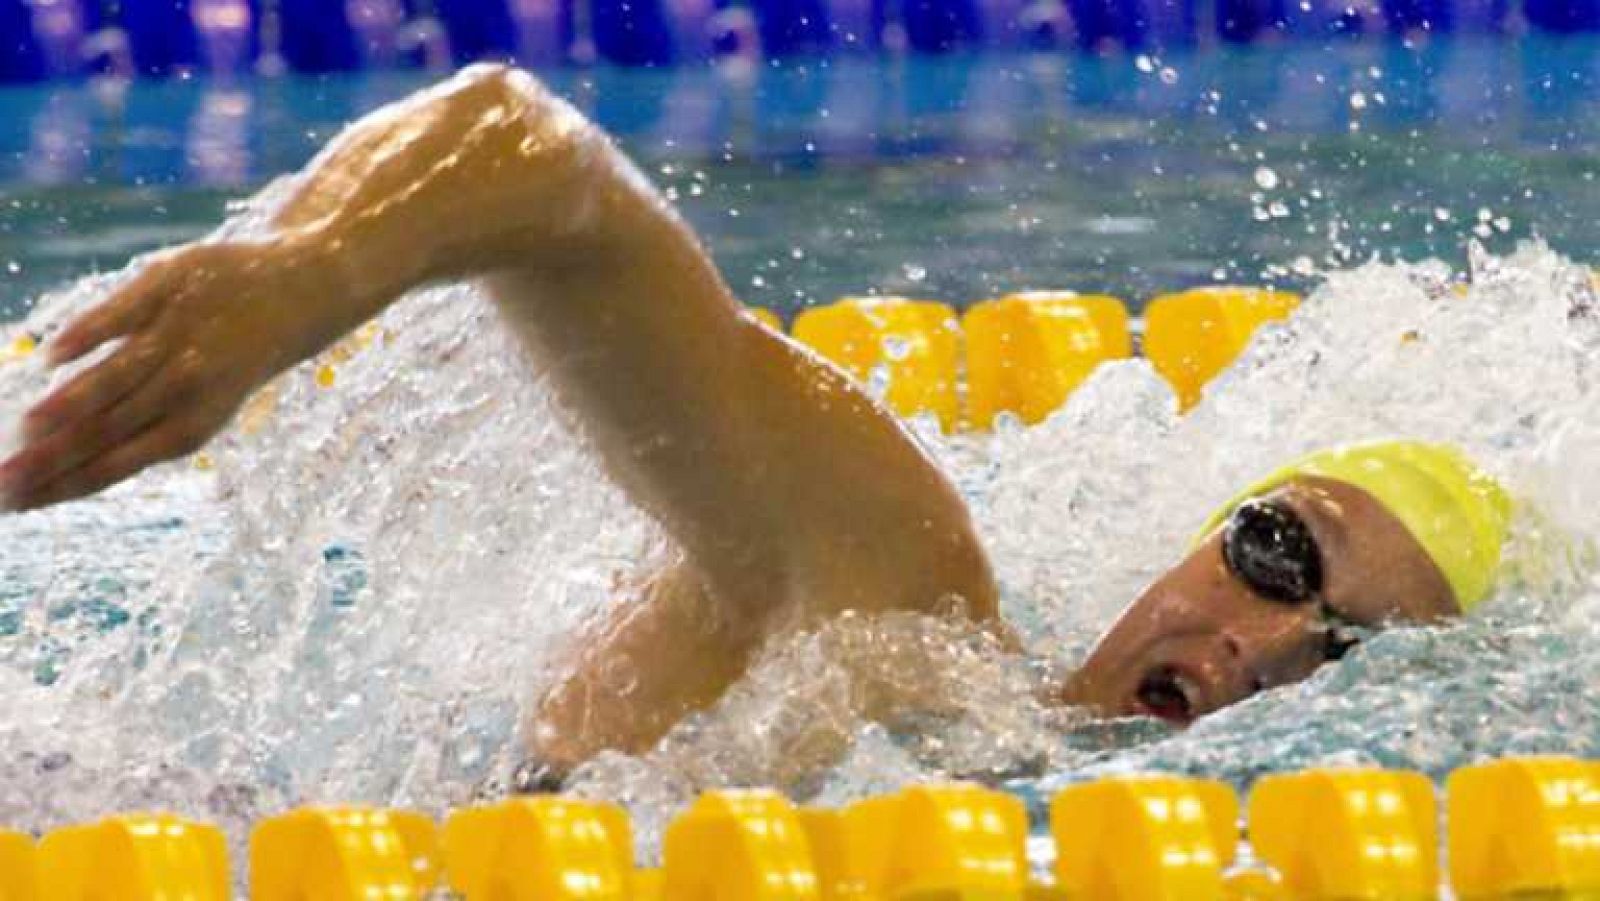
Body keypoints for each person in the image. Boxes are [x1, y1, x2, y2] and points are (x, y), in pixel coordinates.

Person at [0, 65, 1511, 783]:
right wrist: (314, 269)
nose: (1260, 643)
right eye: (1271, 552)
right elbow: (522, 148)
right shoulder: (898, 596)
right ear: (1198, 540)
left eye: (1343, 649)